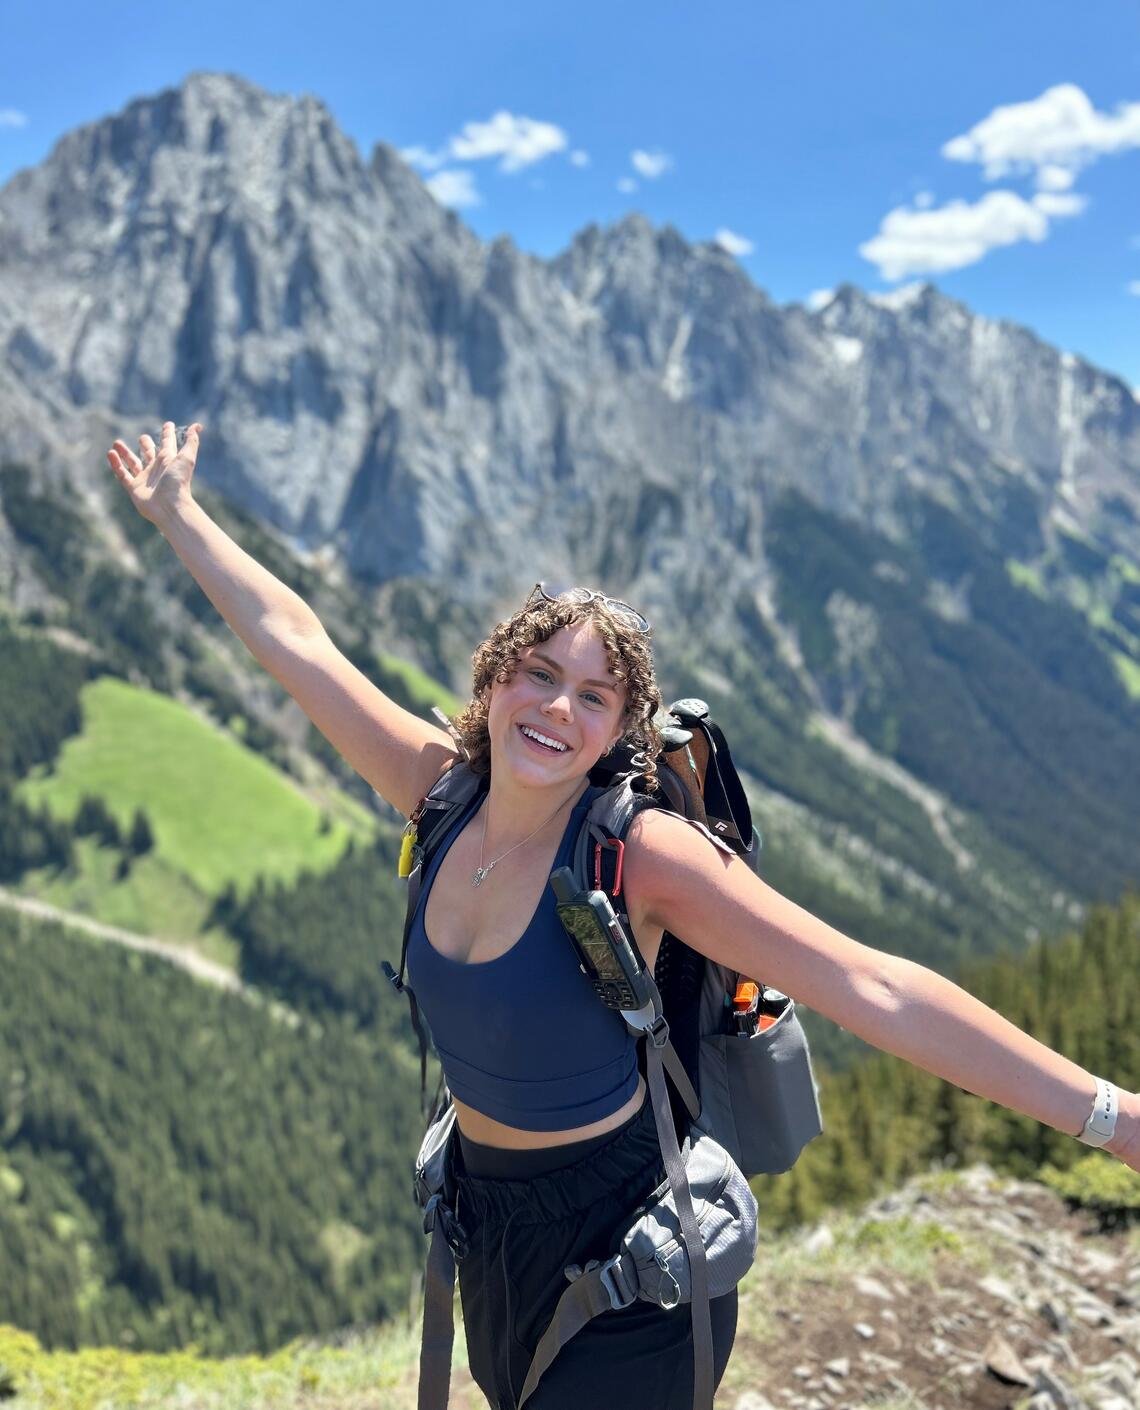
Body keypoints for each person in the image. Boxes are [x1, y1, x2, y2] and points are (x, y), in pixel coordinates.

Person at [108, 423, 1139, 1410]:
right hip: (490, 1228)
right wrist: (178, 517)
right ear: (494, 680)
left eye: (594, 698)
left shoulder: (641, 856)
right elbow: (300, 643)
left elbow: (871, 984)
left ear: (616, 734)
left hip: (629, 1254)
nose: (558, 708)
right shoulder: (440, 794)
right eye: (540, 674)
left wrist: (1112, 1119)